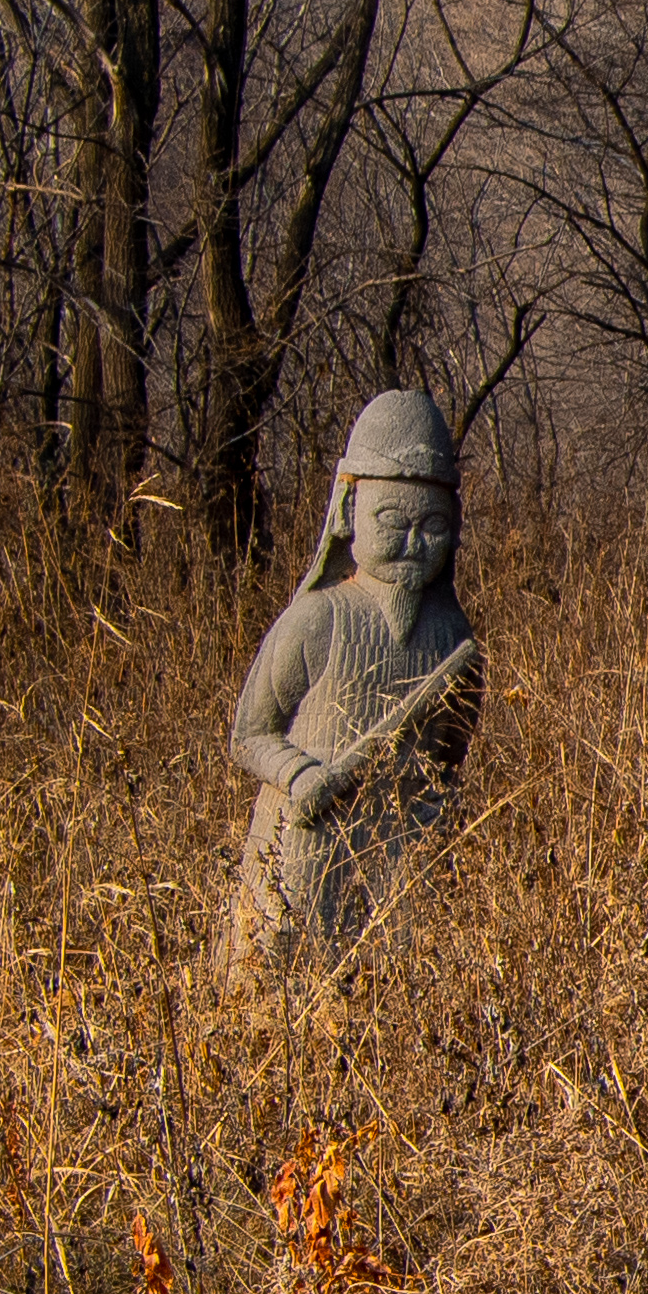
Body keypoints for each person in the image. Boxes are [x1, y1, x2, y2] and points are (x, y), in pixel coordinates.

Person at [223, 390, 482, 979]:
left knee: (394, 994)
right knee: (287, 987)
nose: (416, 544)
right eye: (392, 521)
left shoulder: (453, 638)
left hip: (400, 849)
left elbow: (451, 750)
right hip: (308, 844)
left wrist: (434, 805)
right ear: (347, 511)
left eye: (434, 526)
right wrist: (300, 773)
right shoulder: (319, 619)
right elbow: (249, 733)